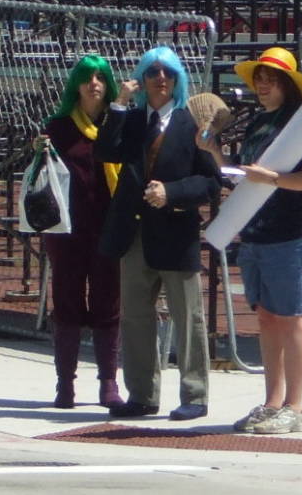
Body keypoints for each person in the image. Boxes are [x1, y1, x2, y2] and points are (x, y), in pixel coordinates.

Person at [196, 47, 302, 434]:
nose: (263, 86)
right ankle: (272, 401)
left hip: (289, 232)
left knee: (292, 317)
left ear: (287, 84)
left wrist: (269, 178)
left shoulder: (298, 125)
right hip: (255, 232)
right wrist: (214, 152)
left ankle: (296, 406)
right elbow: (242, 175)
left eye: (271, 79)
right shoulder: (258, 124)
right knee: (267, 318)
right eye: (259, 79)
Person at [94, 46, 221, 421]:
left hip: (176, 232)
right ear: (142, 78)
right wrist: (118, 104)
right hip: (133, 233)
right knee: (135, 316)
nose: (160, 79)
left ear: (178, 79)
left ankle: (195, 396)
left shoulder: (191, 123)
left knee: (188, 318)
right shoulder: (131, 120)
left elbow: (211, 182)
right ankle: (142, 394)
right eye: (153, 73)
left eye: (168, 73)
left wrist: (172, 193)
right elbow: (105, 152)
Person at [35, 55, 124, 410]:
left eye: (101, 77)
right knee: (67, 303)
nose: (94, 83)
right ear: (77, 85)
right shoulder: (57, 128)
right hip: (66, 232)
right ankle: (65, 384)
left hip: (108, 229)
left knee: (108, 303)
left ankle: (108, 383)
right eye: (87, 77)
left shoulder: (117, 123)